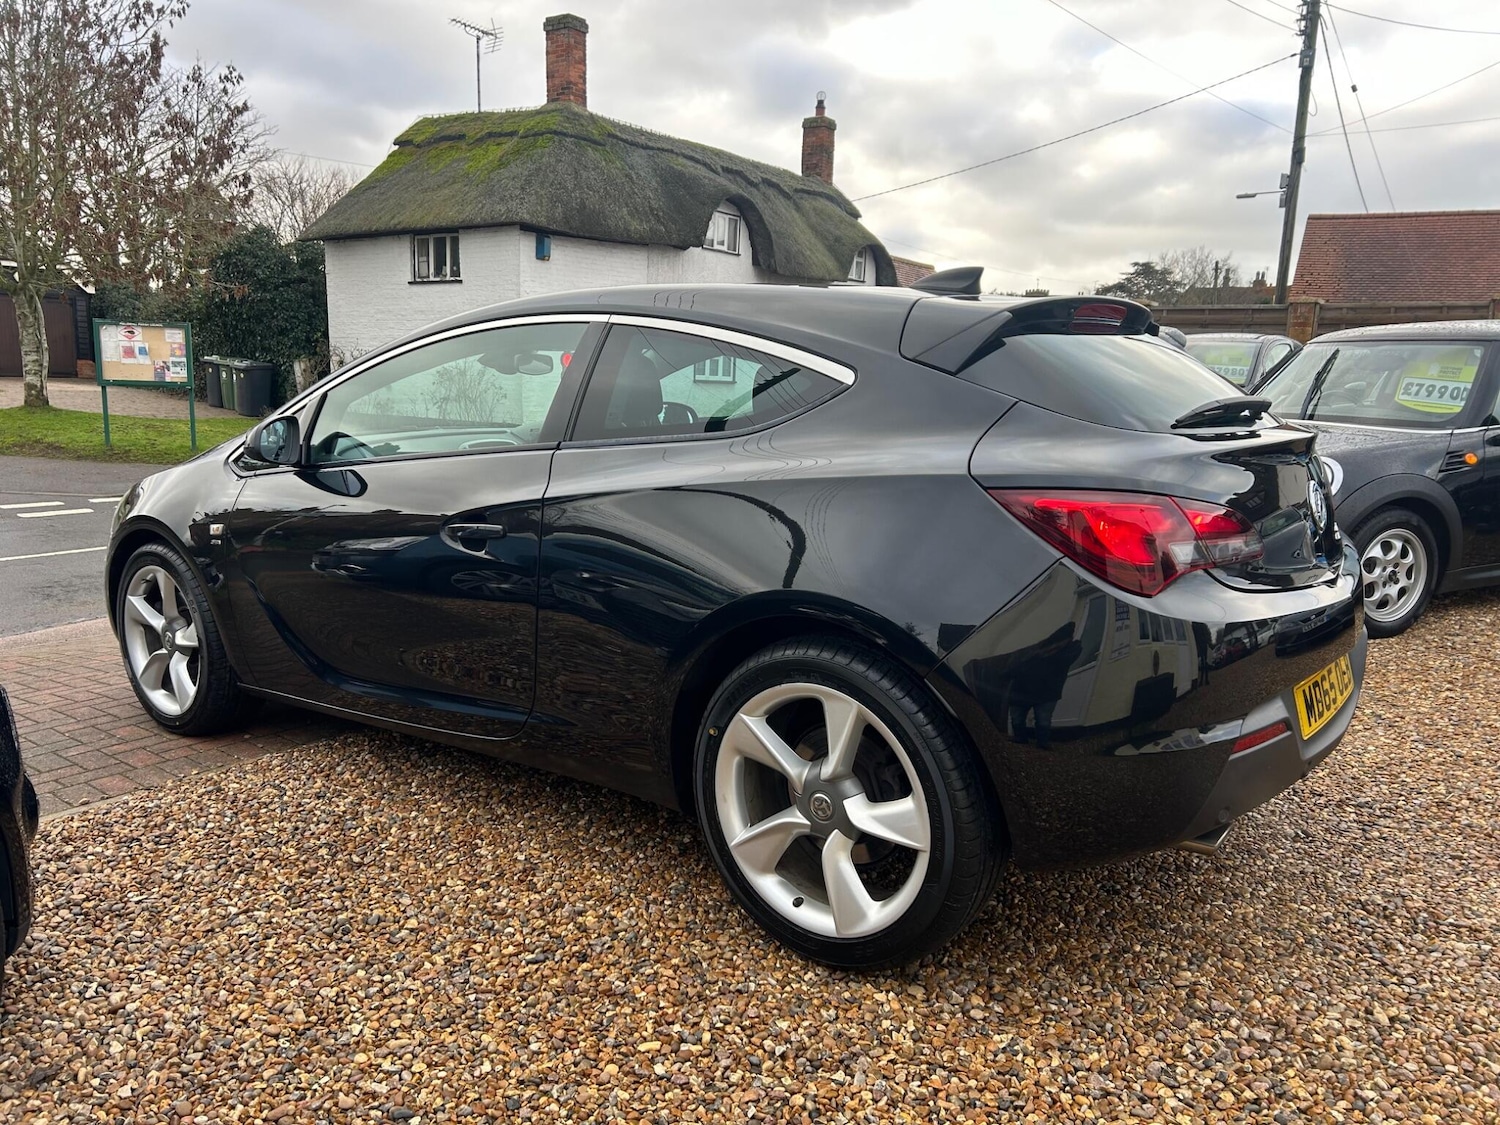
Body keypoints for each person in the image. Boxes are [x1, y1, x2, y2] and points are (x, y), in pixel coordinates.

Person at [1009, 622, 1084, 748]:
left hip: (1047, 692)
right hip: (1022, 689)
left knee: (1043, 720)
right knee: (1017, 717)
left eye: (1059, 640)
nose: (1055, 643)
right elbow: (1017, 664)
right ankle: (1020, 738)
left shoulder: (1071, 648)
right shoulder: (1035, 648)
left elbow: (1065, 659)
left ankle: (1042, 744)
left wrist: (1047, 652)